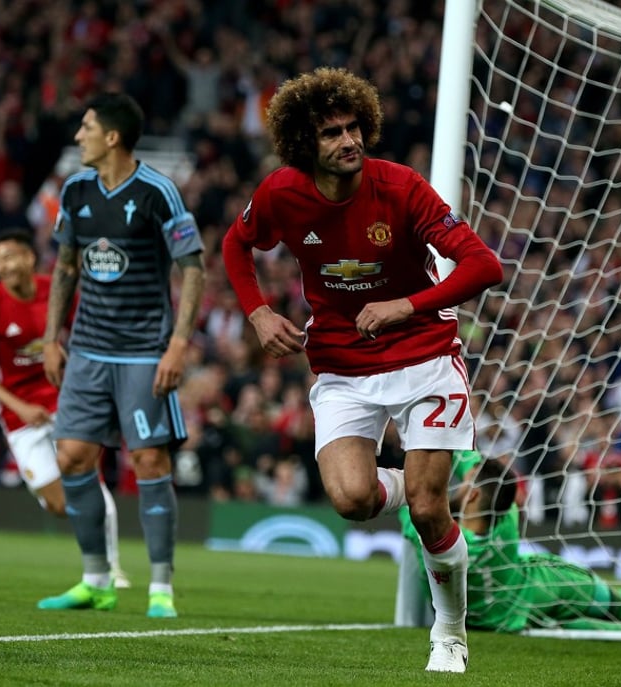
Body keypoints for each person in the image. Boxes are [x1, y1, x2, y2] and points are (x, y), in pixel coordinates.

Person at [221, 67, 503, 673]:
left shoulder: (401, 187)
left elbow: (483, 265)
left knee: (429, 513)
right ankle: (420, 485)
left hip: (425, 354)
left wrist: (407, 304)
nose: (348, 141)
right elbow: (235, 244)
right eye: (331, 134)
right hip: (343, 365)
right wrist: (258, 313)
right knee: (351, 499)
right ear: (305, 143)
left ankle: (449, 633)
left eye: (353, 128)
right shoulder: (280, 194)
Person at [37, 92, 206, 619]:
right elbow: (66, 266)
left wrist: (178, 344)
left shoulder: (159, 192)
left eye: (86, 126)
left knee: (150, 460)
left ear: (112, 136)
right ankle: (95, 580)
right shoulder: (76, 188)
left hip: (142, 351)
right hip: (87, 348)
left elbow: (194, 269)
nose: (77, 135)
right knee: (71, 457)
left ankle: (160, 588)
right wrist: (51, 336)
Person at [401, 450, 621, 635]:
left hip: (502, 618)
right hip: (545, 588)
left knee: (582, 625)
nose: (461, 485)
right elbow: (475, 466)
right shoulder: (506, 521)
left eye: (467, 484)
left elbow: (413, 499)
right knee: (620, 606)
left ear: (474, 493)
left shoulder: (429, 538)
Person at [0, 229, 129, 588]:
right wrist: (19, 406)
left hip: (66, 396)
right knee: (57, 505)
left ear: (28, 257)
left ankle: (111, 567)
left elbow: (89, 332)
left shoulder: (56, 292)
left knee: (88, 477)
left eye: (9, 256)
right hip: (18, 412)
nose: (3, 266)